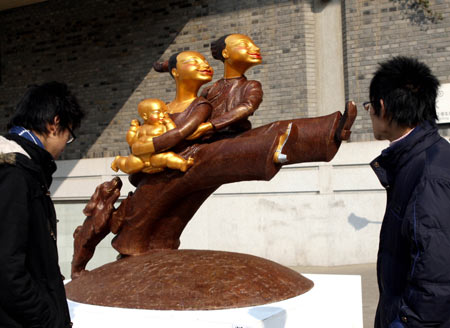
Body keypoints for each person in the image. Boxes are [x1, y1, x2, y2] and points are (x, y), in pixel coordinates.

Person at [366, 56, 450, 327]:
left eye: (370, 106)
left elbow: (436, 279)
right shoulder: (426, 157)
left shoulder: (428, 173)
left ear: (382, 107)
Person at [0, 81, 84, 327]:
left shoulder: (24, 170)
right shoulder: (13, 173)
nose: (63, 148)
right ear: (54, 124)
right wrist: (48, 318)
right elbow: (6, 267)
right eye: (69, 136)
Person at [111, 98, 194, 174]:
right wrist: (133, 129)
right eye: (158, 113)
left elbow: (172, 134)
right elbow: (131, 141)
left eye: (164, 113)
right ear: (145, 116)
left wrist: (168, 122)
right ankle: (118, 161)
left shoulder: (162, 127)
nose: (162, 115)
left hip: (154, 156)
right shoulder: (140, 128)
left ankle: (182, 164)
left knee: (168, 157)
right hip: (139, 158)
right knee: (128, 167)